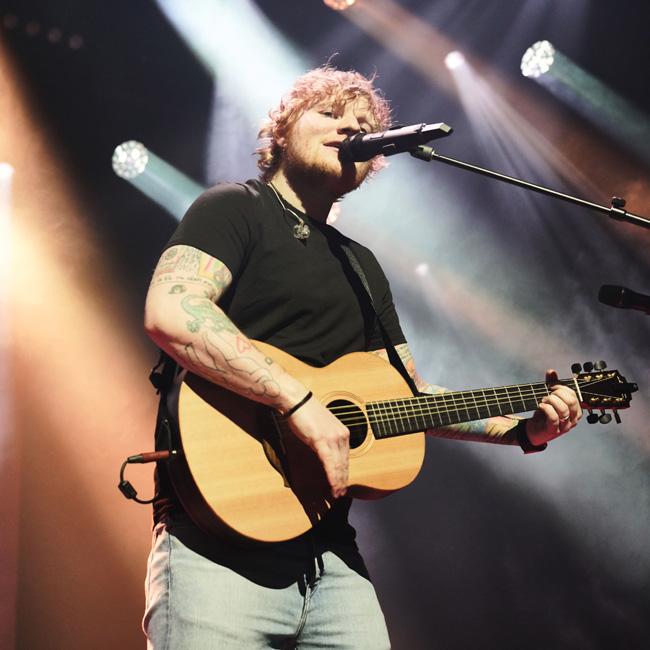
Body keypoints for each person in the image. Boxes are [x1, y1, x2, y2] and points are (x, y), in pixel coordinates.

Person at [142, 65, 581, 649]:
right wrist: (298, 402)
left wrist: (524, 430)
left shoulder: (362, 267)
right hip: (215, 544)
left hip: (330, 557)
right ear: (281, 131)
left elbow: (411, 399)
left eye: (363, 124)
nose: (351, 127)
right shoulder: (234, 208)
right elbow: (173, 310)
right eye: (330, 113)